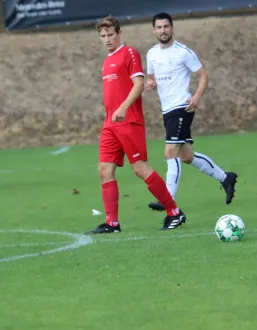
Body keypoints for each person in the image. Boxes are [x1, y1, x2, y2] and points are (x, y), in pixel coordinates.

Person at [85, 16, 186, 235]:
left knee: (140, 168)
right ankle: (112, 223)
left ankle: (174, 211)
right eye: (103, 36)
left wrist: (123, 107)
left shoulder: (129, 53)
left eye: (110, 34)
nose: (107, 39)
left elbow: (139, 83)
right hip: (110, 124)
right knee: (104, 170)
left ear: (119, 33)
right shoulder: (107, 61)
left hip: (128, 120)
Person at [145, 12, 238, 212]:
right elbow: (151, 77)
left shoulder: (183, 52)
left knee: (171, 152)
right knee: (186, 155)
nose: (163, 30)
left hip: (182, 107)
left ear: (172, 28)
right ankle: (225, 178)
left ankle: (167, 199)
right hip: (167, 110)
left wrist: (196, 97)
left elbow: (203, 75)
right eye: (159, 27)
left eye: (166, 26)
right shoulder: (151, 54)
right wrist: (150, 84)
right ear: (154, 30)